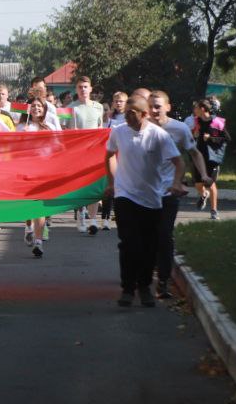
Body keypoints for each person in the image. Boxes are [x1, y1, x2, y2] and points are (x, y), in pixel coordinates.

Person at [105, 94, 184, 308]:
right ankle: (128, 289)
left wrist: (177, 183)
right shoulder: (119, 132)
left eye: (132, 114)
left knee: (149, 246)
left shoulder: (159, 136)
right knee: (129, 243)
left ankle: (145, 287)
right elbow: (110, 154)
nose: (127, 117)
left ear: (144, 114)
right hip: (125, 195)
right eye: (125, 113)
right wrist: (112, 182)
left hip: (152, 198)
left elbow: (179, 162)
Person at [148, 90, 210, 298]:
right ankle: (148, 273)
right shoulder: (141, 127)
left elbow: (194, 153)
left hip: (169, 190)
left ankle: (163, 281)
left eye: (158, 106)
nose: (154, 110)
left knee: (164, 235)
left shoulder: (179, 128)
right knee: (148, 237)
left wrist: (203, 175)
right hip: (144, 193)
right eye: (151, 106)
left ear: (168, 107)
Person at [66, 75, 107, 235]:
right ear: (76, 89)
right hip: (78, 153)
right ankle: (81, 215)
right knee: (81, 186)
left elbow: (101, 127)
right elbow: (65, 132)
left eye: (85, 87)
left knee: (95, 185)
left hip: (95, 152)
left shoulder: (98, 107)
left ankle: (93, 219)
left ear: (90, 89)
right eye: (80, 87)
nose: (83, 90)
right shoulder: (71, 107)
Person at [17, 97, 55, 257]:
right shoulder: (22, 127)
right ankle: (28, 227)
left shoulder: (50, 127)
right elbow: (12, 149)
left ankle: (38, 241)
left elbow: (57, 147)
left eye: (39, 106)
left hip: (43, 171)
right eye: (33, 106)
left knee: (40, 206)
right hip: (26, 170)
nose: (36, 108)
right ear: (29, 109)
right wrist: (22, 138)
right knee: (28, 205)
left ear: (44, 109)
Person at [191, 99, 230, 219]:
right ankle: (204, 194)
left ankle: (214, 211)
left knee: (210, 183)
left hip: (212, 157)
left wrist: (212, 137)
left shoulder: (217, 122)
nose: (194, 110)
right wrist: (195, 134)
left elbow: (226, 139)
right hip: (199, 156)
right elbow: (194, 135)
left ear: (202, 109)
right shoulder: (197, 120)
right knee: (198, 184)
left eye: (196, 108)